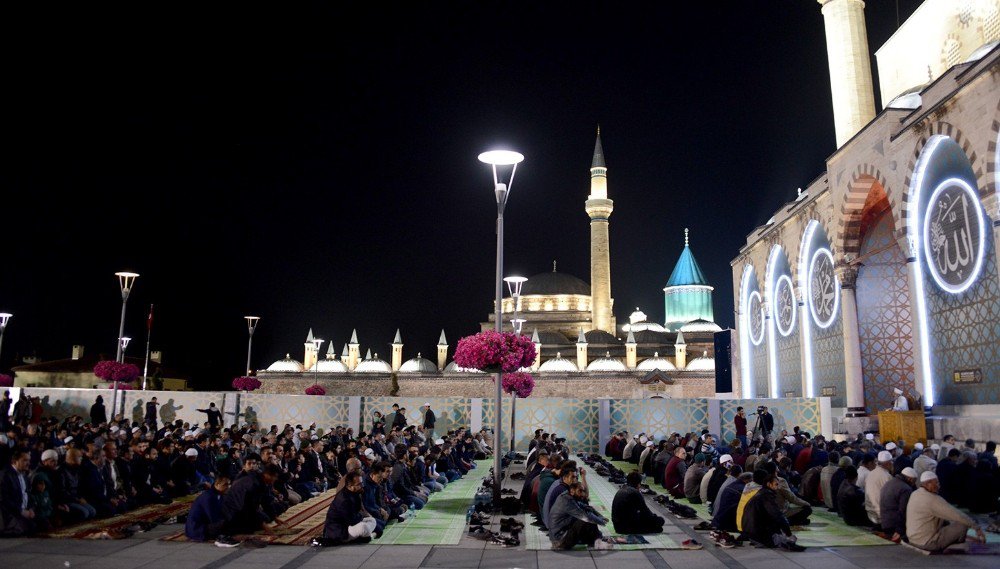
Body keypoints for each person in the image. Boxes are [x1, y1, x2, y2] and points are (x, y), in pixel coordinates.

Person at [906, 471, 984, 552]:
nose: (938, 485)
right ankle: (957, 544)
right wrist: (977, 528)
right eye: (936, 483)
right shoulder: (932, 499)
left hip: (913, 539)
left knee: (948, 521)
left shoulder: (915, 493)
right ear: (928, 483)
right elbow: (957, 515)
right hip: (927, 543)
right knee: (963, 523)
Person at [740, 472, 804, 551]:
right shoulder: (766, 496)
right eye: (776, 484)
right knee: (784, 539)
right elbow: (777, 515)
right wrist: (788, 533)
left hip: (749, 530)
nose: (778, 487)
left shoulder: (761, 493)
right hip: (756, 532)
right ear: (769, 484)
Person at [221, 463, 282, 537]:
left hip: (243, 507)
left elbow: (266, 500)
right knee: (253, 527)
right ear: (267, 475)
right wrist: (264, 526)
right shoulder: (254, 484)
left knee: (266, 518)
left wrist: (275, 517)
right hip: (233, 511)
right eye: (275, 477)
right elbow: (249, 508)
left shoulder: (261, 480)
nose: (276, 479)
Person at [319, 469, 378, 545]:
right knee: (363, 527)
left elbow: (357, 512)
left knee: (372, 520)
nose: (362, 486)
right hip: (340, 530)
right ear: (350, 486)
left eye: (362, 483)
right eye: (359, 484)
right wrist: (361, 518)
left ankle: (366, 537)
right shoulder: (343, 499)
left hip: (350, 523)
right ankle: (366, 536)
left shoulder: (355, 492)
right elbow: (352, 520)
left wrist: (362, 517)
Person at [548, 482, 608, 550]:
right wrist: (601, 521)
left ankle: (597, 539)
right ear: (572, 491)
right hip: (559, 540)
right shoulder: (567, 501)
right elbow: (586, 517)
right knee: (587, 520)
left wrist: (600, 516)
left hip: (562, 533)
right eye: (580, 491)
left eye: (583, 491)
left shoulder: (568, 496)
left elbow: (586, 507)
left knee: (587, 515)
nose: (582, 494)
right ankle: (597, 542)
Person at [0, 449, 36, 536]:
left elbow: (28, 494)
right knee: (25, 529)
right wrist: (21, 511)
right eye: (25, 460)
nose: (28, 463)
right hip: (10, 513)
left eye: (29, 460)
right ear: (14, 461)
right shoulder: (5, 476)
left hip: (24, 511)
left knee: (41, 524)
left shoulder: (24, 475)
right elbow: (4, 500)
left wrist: (31, 509)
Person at [186, 475, 231, 543]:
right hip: (197, 529)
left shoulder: (219, 494)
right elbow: (212, 517)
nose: (228, 487)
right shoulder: (208, 496)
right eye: (225, 485)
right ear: (217, 484)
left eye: (229, 484)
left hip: (205, 525)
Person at [879, 467, 917, 543]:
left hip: (884, 522)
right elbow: (903, 511)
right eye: (914, 481)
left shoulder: (889, 482)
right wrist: (899, 530)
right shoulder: (906, 489)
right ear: (910, 479)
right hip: (894, 526)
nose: (914, 484)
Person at [864, 450, 894, 528]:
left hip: (870, 513)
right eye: (891, 462)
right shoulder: (887, 476)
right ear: (888, 463)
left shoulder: (870, 473)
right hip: (881, 516)